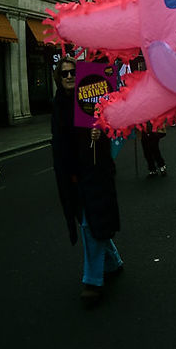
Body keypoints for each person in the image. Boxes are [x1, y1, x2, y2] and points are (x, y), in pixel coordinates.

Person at [50, 56, 123, 308]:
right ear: (58, 79)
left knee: (90, 223)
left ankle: (92, 281)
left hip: (96, 170)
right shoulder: (58, 104)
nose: (69, 77)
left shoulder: (91, 99)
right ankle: (113, 261)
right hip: (72, 173)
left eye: (72, 73)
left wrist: (101, 129)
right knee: (90, 219)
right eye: (64, 74)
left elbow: (117, 126)